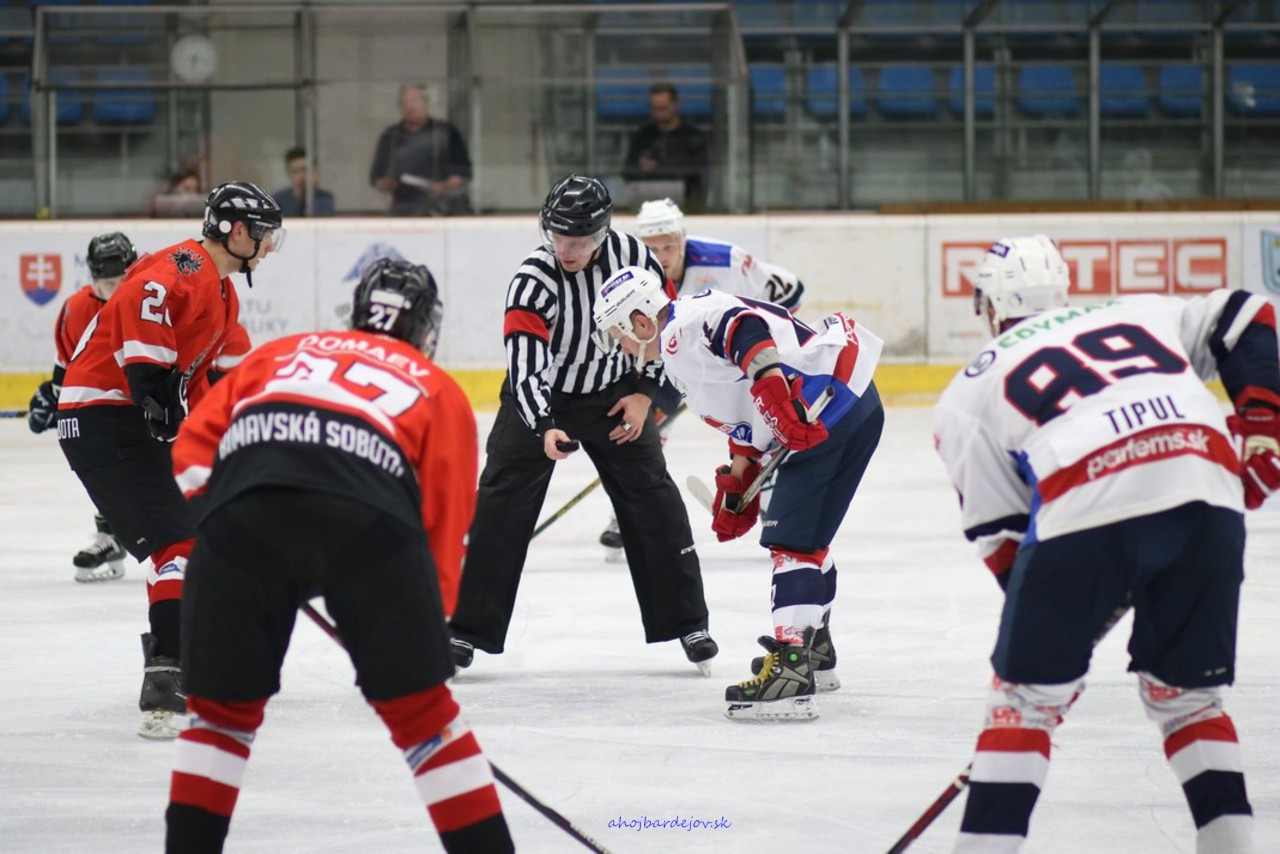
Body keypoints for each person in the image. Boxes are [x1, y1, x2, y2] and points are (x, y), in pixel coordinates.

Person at [932, 235, 1278, 851]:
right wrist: (1263, 429)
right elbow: (1247, 313)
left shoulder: (966, 391)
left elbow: (1003, 539)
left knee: (1024, 706)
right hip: (1206, 489)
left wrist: (1050, 648)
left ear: (990, 305)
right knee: (1190, 699)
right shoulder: (1139, 311)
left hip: (1085, 508)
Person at [164, 259, 513, 853]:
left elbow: (194, 452)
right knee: (425, 719)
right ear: (427, 328)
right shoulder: (438, 388)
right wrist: (420, 633)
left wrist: (237, 534)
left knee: (218, 720)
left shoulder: (280, 353)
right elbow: (446, 521)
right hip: (368, 520)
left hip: (243, 517)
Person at [446, 174, 718, 674]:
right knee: (499, 507)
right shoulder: (533, 279)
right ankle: (465, 631)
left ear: (603, 233)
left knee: (655, 502)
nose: (565, 249)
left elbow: (668, 330)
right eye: (557, 236)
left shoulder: (636, 260)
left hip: (615, 394)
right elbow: (524, 365)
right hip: (543, 397)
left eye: (578, 240)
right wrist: (543, 424)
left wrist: (647, 396)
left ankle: (688, 623)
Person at [593, 266, 884, 720]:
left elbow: (744, 329)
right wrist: (740, 476)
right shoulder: (678, 344)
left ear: (641, 321)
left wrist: (776, 393)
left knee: (793, 546)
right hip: (841, 406)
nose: (621, 346)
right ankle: (815, 649)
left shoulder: (683, 329)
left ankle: (792, 670)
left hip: (827, 410)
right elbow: (749, 409)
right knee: (809, 540)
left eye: (619, 334)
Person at [57, 182, 284, 739]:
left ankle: (189, 653)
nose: (269, 246)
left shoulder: (224, 295)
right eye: (264, 235)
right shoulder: (185, 264)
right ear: (235, 231)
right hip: (104, 417)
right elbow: (142, 301)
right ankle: (169, 670)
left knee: (201, 534)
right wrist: (150, 386)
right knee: (179, 543)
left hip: (123, 418)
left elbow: (198, 387)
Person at [595, 196, 808, 554]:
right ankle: (627, 512)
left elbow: (791, 290)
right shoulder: (632, 275)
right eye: (652, 248)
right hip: (666, 359)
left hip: (735, 360)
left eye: (669, 246)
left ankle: (770, 501)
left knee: (759, 426)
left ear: (683, 239)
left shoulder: (726, 261)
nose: (662, 256)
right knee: (643, 428)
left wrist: (768, 347)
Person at [27, 232, 139, 582]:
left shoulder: (151, 301)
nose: (114, 291)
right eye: (106, 284)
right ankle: (111, 535)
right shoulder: (77, 309)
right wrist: (54, 397)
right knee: (97, 456)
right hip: (103, 408)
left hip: (148, 402)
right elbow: (66, 367)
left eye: (120, 282)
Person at [369, 84, 472, 216]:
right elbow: (376, 177)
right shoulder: (391, 136)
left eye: (415, 101)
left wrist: (443, 186)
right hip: (402, 210)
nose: (410, 107)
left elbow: (464, 174)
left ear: (426, 104)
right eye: (405, 103)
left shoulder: (445, 132)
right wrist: (386, 184)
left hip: (440, 210)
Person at [622, 83, 710, 210]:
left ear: (676, 104)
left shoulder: (692, 136)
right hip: (648, 203)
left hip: (686, 203)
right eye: (655, 109)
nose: (659, 113)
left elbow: (700, 171)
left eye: (663, 108)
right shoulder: (643, 135)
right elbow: (627, 170)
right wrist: (641, 168)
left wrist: (660, 166)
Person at [273, 146, 336, 217]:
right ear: (289, 174)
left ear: (314, 171)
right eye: (296, 171)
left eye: (305, 170)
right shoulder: (279, 200)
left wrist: (313, 186)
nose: (301, 176)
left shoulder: (325, 198)